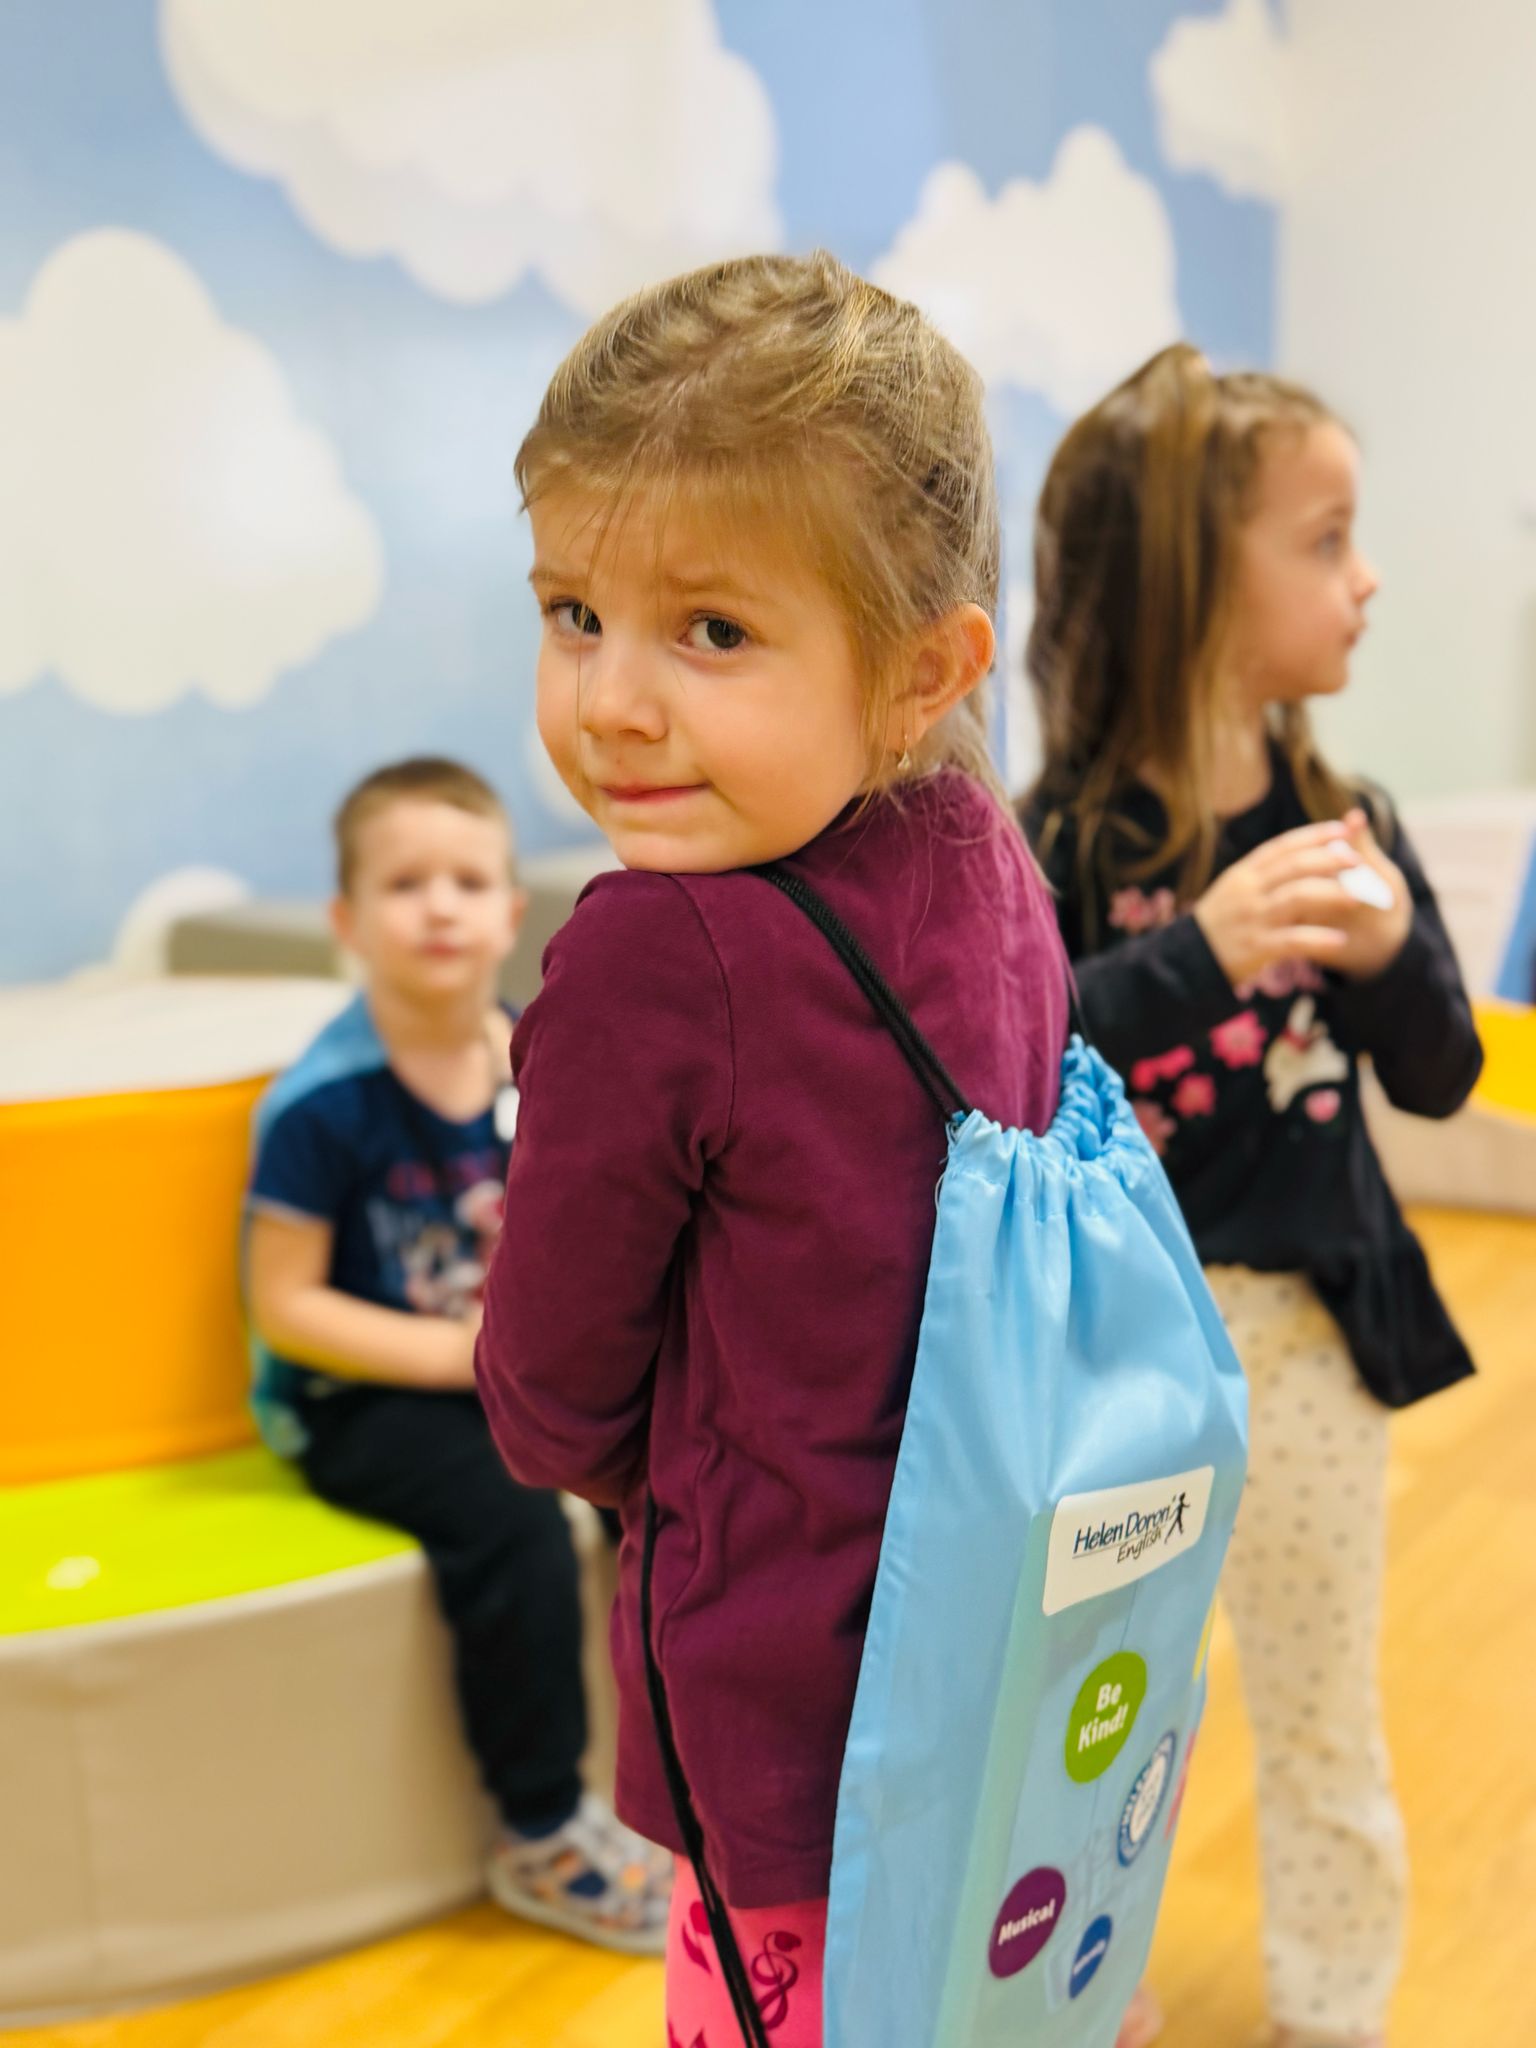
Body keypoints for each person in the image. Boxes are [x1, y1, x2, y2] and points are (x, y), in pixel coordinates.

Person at [469, 253, 1117, 2046]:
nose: (612, 700)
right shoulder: (983, 850)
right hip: (1018, 1640)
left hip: (788, 1716)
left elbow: (545, 1408)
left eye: (712, 632)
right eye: (574, 612)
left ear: (921, 668)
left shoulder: (653, 956)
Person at [1021, 344, 1482, 2048]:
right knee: (1096, 1715)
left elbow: (1439, 1073)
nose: (1367, 580)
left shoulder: (1346, 821)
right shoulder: (1059, 845)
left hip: (1301, 1340)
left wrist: (1387, 950)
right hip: (1105, 1355)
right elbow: (1011, 1077)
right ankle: (1080, 1989)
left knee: (1316, 1703)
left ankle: (1332, 2011)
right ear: (1192, 580)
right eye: (1327, 539)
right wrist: (1197, 954)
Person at [243, 756, 670, 1953]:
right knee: (515, 1514)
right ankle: (540, 1827)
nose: (440, 906)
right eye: (405, 883)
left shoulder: (535, 1056)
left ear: (510, 911)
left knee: (660, 1467)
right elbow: (286, 1307)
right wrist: (458, 1357)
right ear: (346, 920)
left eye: (468, 881)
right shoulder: (321, 1104)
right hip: (362, 1396)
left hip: (503, 1369)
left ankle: (675, 1765)